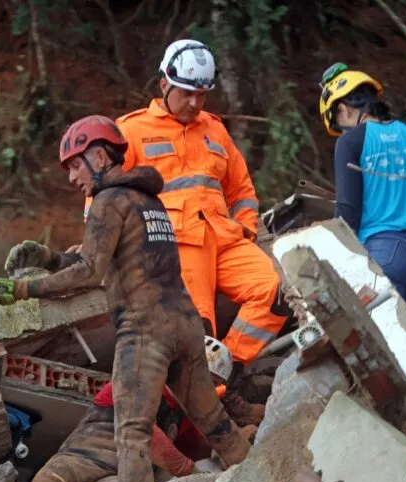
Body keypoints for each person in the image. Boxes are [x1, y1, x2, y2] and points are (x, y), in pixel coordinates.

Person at [0, 114, 251, 482]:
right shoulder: (148, 200)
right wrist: (48, 257)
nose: (72, 178)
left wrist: (25, 289)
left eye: (74, 165)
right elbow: (105, 258)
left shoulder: (107, 201)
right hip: (185, 324)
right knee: (214, 421)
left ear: (100, 155)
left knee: (131, 431)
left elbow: (90, 271)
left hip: (144, 332)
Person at [107, 39, 290, 392]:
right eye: (187, 93)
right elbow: (104, 195)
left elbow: (241, 191)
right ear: (165, 84)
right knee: (198, 330)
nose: (195, 103)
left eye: (202, 95)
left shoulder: (215, 129)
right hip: (176, 245)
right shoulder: (131, 130)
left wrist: (246, 229)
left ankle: (228, 368)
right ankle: (206, 405)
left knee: (278, 292)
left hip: (226, 241)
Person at [20, 347, 229, 482]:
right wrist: (191, 471)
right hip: (76, 462)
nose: (202, 388)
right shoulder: (134, 383)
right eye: (201, 379)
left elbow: (203, 453)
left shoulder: (183, 418)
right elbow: (147, 436)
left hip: (117, 478)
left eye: (212, 384)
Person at [319, 62, 406, 309]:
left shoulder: (350, 143)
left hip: (382, 257)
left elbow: (348, 211)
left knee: (388, 344)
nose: (341, 132)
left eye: (338, 124)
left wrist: (333, 260)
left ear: (342, 109)